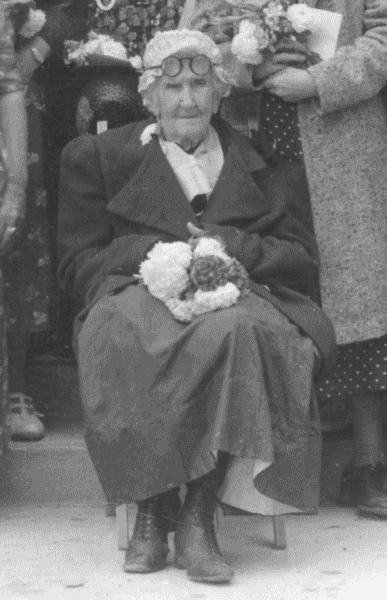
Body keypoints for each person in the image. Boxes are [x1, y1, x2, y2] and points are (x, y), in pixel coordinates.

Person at [57, 29, 336, 583]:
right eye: (173, 85)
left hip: (244, 291)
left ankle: (198, 511)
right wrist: (150, 255)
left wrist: (235, 248)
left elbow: (302, 259)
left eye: (199, 85)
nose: (186, 99)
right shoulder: (98, 158)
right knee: (122, 328)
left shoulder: (264, 162)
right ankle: (155, 501)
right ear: (149, 96)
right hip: (137, 289)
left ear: (219, 94)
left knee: (236, 330)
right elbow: (75, 265)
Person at [222, 0, 387, 518]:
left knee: (356, 303)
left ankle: (369, 466)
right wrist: (250, 70)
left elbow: (384, 38)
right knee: (263, 291)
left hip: (342, 151)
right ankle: (251, 479)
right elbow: (201, 41)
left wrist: (316, 81)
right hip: (253, 151)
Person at [3, 0, 87, 441]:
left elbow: (74, 8)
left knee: (18, 235)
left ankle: (15, 386)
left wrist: (32, 52)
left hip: (19, 95)